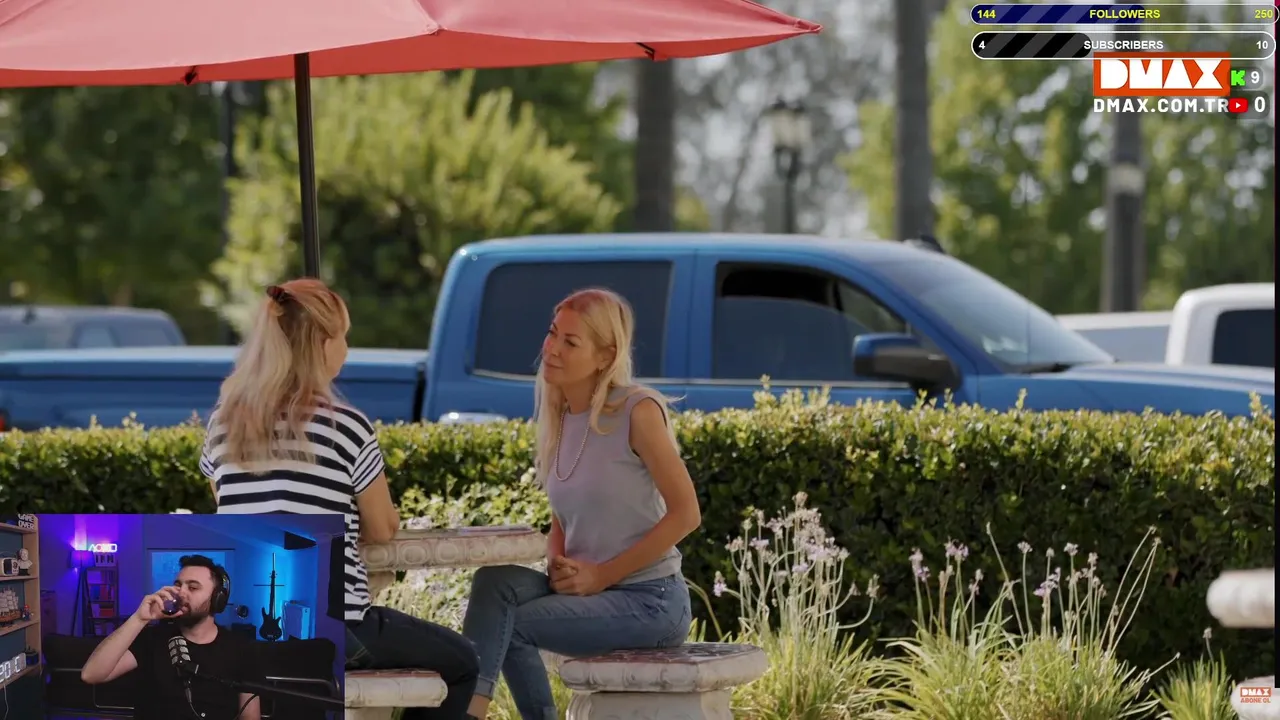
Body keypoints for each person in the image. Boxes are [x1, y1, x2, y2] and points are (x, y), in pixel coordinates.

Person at [199, 278, 480, 720]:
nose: (347, 348)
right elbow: (382, 529)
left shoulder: (223, 426)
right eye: (344, 336)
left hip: (246, 634)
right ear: (322, 345)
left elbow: (230, 508)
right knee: (463, 663)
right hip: (335, 632)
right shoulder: (346, 428)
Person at [460, 288, 701, 720]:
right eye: (553, 333)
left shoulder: (637, 410)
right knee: (494, 583)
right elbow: (562, 517)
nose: (552, 349)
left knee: (510, 625)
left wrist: (602, 575)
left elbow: (687, 514)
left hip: (651, 599)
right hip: (593, 589)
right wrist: (558, 562)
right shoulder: (561, 416)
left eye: (570, 342)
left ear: (605, 356)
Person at [79, 554, 264, 720]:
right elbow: (91, 674)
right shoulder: (152, 639)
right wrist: (139, 619)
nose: (181, 593)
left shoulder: (242, 649)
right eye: (178, 585)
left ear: (217, 599)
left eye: (193, 587)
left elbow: (250, 716)